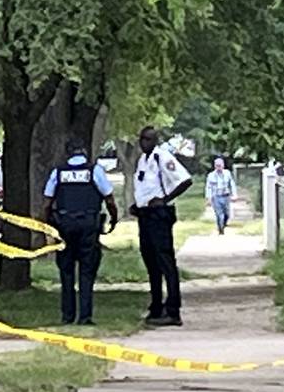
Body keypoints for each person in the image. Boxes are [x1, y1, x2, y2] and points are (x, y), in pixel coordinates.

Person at [42, 138, 119, 325]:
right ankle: (85, 316)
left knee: (66, 272)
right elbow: (109, 199)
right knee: (87, 270)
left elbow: (47, 203)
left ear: (67, 153)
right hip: (88, 226)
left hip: (65, 226)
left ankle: (67, 316)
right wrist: (114, 219)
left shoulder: (58, 173)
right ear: (84, 153)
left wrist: (48, 226)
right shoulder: (95, 171)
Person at [130, 126, 193, 326]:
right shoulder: (142, 160)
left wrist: (164, 199)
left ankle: (173, 309)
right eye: (142, 139)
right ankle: (156, 305)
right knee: (151, 262)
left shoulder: (162, 157)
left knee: (165, 261)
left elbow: (185, 180)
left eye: (148, 139)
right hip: (145, 215)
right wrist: (137, 205)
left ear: (155, 141)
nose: (144, 143)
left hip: (159, 215)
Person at [206, 156, 237, 234]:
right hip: (216, 196)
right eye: (217, 165)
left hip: (226, 196)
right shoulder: (211, 175)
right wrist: (209, 198)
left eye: (220, 165)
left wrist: (234, 194)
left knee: (227, 213)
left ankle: (224, 223)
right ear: (214, 166)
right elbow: (208, 187)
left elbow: (232, 184)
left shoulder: (227, 173)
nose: (219, 167)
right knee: (219, 214)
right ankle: (220, 229)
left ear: (223, 165)